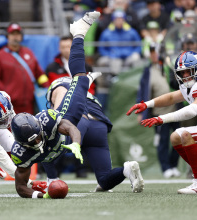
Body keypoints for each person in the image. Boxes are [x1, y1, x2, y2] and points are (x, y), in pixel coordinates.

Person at [10, 11, 144, 199]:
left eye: (37, 137)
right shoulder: (22, 150)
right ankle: (126, 170)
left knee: (77, 85)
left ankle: (79, 33)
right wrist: (41, 195)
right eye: (32, 141)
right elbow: (21, 186)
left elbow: (68, 125)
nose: (37, 141)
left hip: (80, 119)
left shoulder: (53, 106)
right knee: (104, 180)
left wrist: (74, 144)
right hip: (96, 121)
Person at [46, 75, 144, 193]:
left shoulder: (59, 87)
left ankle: (51, 180)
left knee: (46, 141)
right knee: (104, 181)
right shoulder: (84, 92)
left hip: (79, 123)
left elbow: (58, 115)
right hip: (98, 127)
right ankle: (126, 169)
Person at [127, 50, 197, 194]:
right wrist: (147, 104)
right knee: (175, 137)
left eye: (188, 71)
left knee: (184, 135)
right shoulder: (188, 87)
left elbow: (192, 110)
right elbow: (172, 97)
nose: (185, 75)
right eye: (182, 72)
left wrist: (162, 119)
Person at [0, 90, 47, 194]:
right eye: (2, 120)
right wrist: (29, 183)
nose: (6, 122)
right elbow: (3, 160)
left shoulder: (4, 97)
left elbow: (11, 118)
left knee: (15, 150)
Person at [137, 44, 180, 178]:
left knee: (178, 138)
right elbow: (142, 91)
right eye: (152, 52)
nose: (154, 54)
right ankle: (165, 167)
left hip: (175, 110)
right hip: (159, 112)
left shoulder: (170, 67)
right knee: (162, 140)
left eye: (156, 52)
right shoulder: (147, 70)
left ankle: (173, 165)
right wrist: (140, 112)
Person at [0, 22, 50, 115]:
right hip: (10, 105)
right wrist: (6, 93)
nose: (15, 37)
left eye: (17, 34)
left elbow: (40, 74)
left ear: (21, 36)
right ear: (7, 36)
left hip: (30, 103)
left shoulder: (29, 52)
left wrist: (48, 87)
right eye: (12, 34)